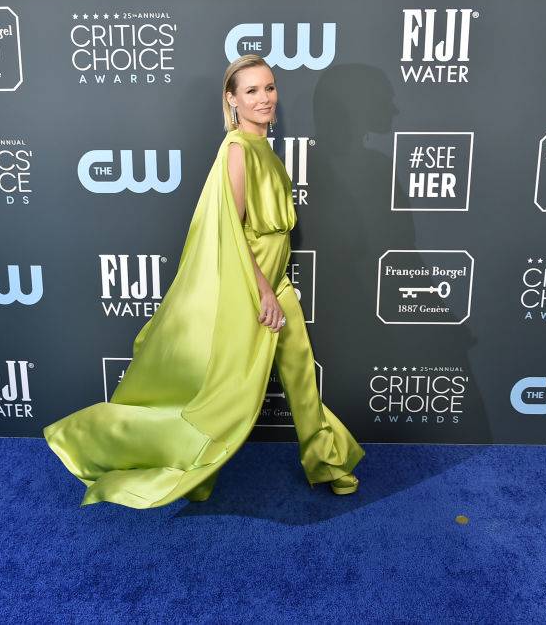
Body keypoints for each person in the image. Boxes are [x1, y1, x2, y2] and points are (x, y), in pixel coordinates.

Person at [42, 54, 365, 509]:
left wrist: (276, 284)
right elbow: (232, 232)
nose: (264, 98)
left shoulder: (265, 148)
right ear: (231, 100)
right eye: (251, 91)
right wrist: (263, 292)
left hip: (276, 283)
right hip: (252, 292)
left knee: (301, 376)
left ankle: (327, 463)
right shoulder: (237, 150)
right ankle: (176, 465)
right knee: (225, 398)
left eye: (269, 88)